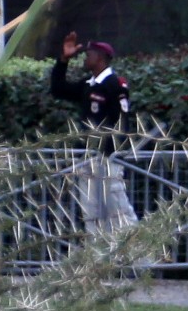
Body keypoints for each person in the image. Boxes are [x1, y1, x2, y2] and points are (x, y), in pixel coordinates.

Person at [50, 32, 136, 234]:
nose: (85, 59)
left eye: (88, 55)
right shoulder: (88, 85)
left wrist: (111, 152)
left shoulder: (114, 84)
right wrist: (63, 60)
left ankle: (140, 261)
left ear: (100, 58)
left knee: (119, 211)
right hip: (88, 157)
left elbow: (121, 122)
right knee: (91, 213)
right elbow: (58, 89)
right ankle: (97, 260)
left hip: (107, 158)